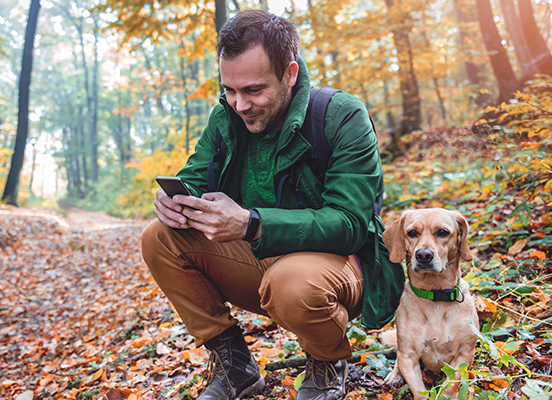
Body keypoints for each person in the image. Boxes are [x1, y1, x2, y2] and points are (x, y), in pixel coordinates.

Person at [141, 9, 403, 400]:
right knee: (159, 237)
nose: (239, 104)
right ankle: (236, 368)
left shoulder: (341, 116)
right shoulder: (225, 117)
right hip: (261, 261)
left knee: (292, 283)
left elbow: (349, 223)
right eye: (229, 90)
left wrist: (251, 223)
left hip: (342, 266)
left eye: (253, 90)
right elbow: (193, 177)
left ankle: (327, 361)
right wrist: (172, 202)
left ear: (290, 74)